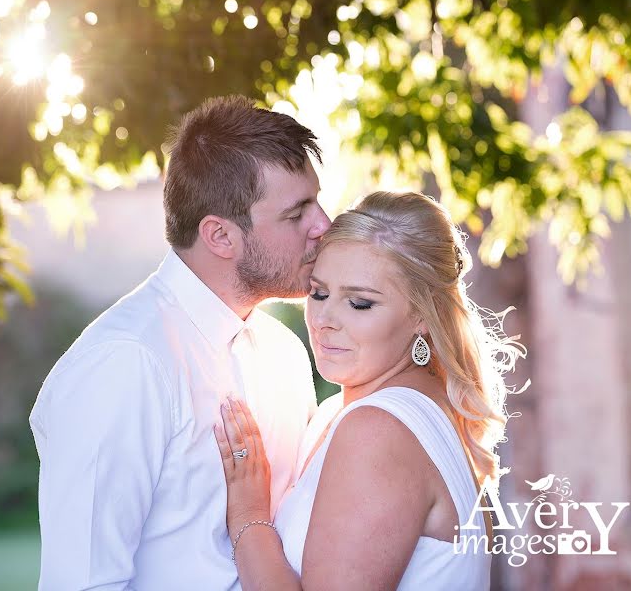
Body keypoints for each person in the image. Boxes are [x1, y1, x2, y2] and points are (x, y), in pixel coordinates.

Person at [29, 95, 331, 590]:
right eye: (297, 213)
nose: (323, 224)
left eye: (317, 201)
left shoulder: (285, 352)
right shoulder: (124, 363)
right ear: (220, 236)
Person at [215, 191, 524, 590]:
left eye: (359, 303)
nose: (325, 319)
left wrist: (248, 515)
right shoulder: (358, 411)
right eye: (319, 293)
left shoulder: (378, 430)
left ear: (421, 315)